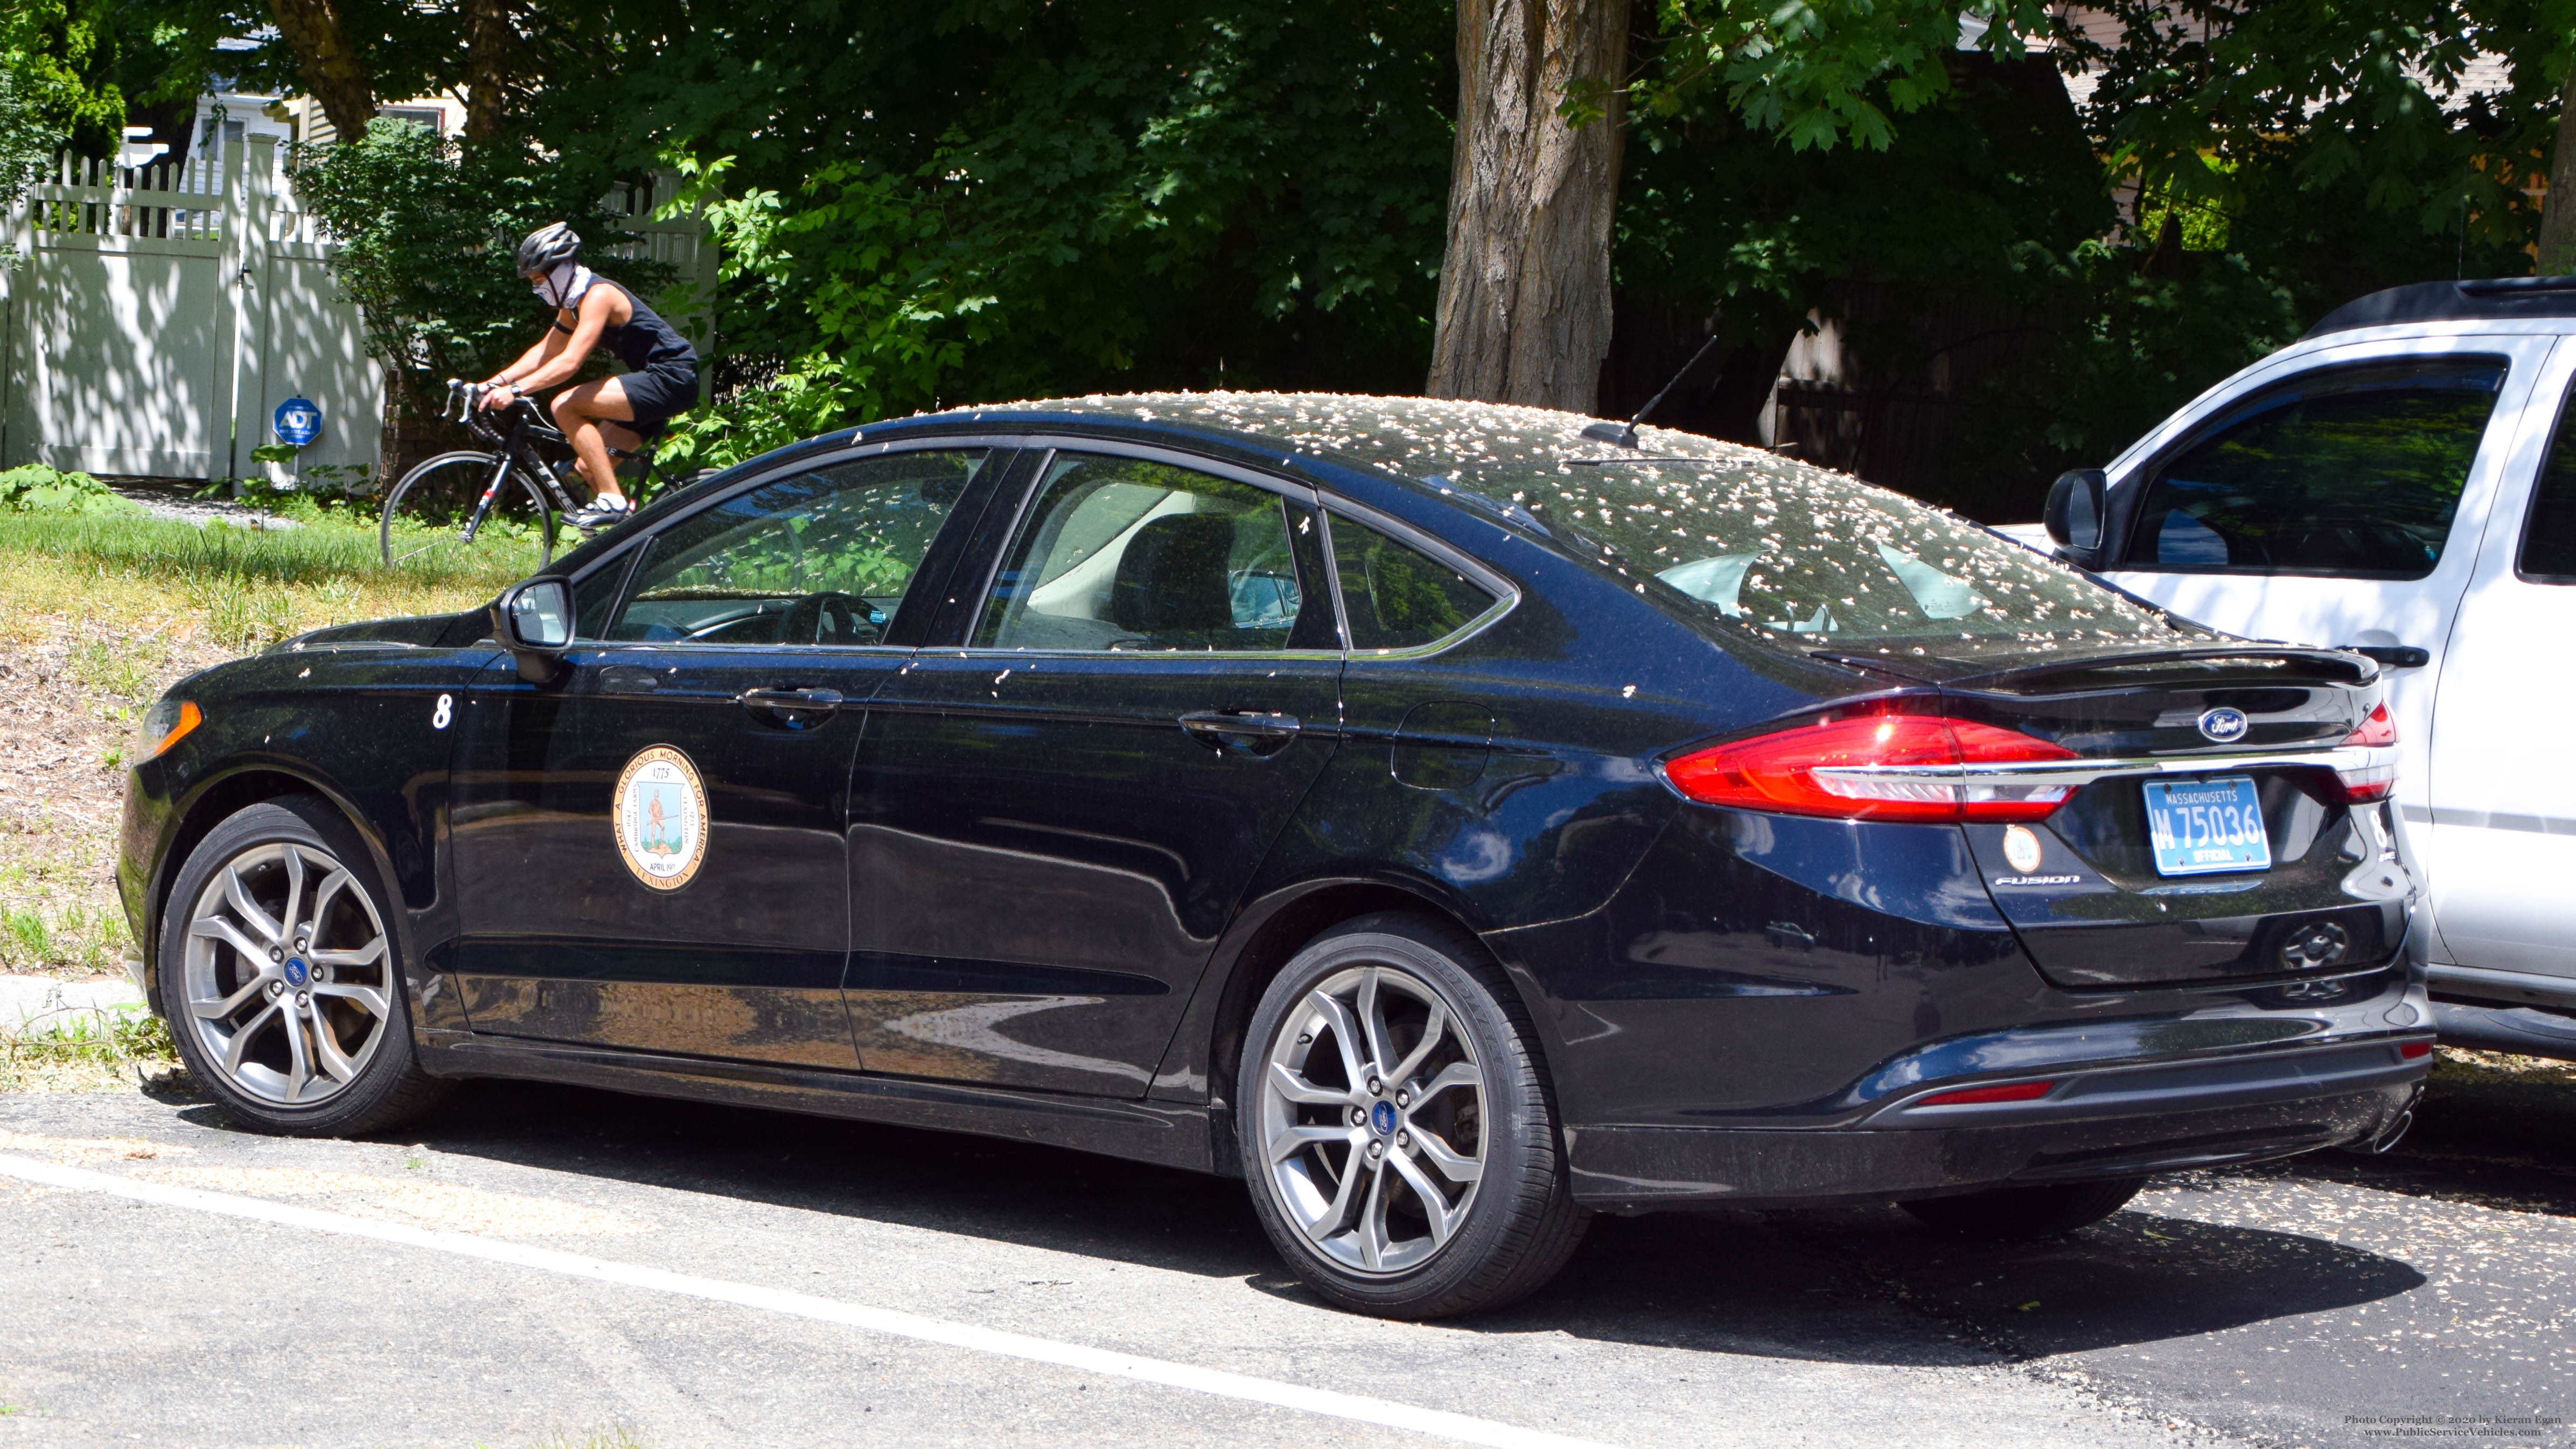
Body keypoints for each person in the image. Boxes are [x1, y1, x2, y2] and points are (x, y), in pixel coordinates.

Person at [479, 222, 700, 528]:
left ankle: (613, 500)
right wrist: (494, 382)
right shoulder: (574, 304)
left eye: (540, 279)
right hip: (654, 378)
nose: (537, 288)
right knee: (588, 467)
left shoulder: (598, 295)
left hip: (672, 376)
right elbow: (545, 351)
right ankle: (631, 536)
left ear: (562, 268)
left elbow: (570, 362)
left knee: (565, 405)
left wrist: (516, 391)